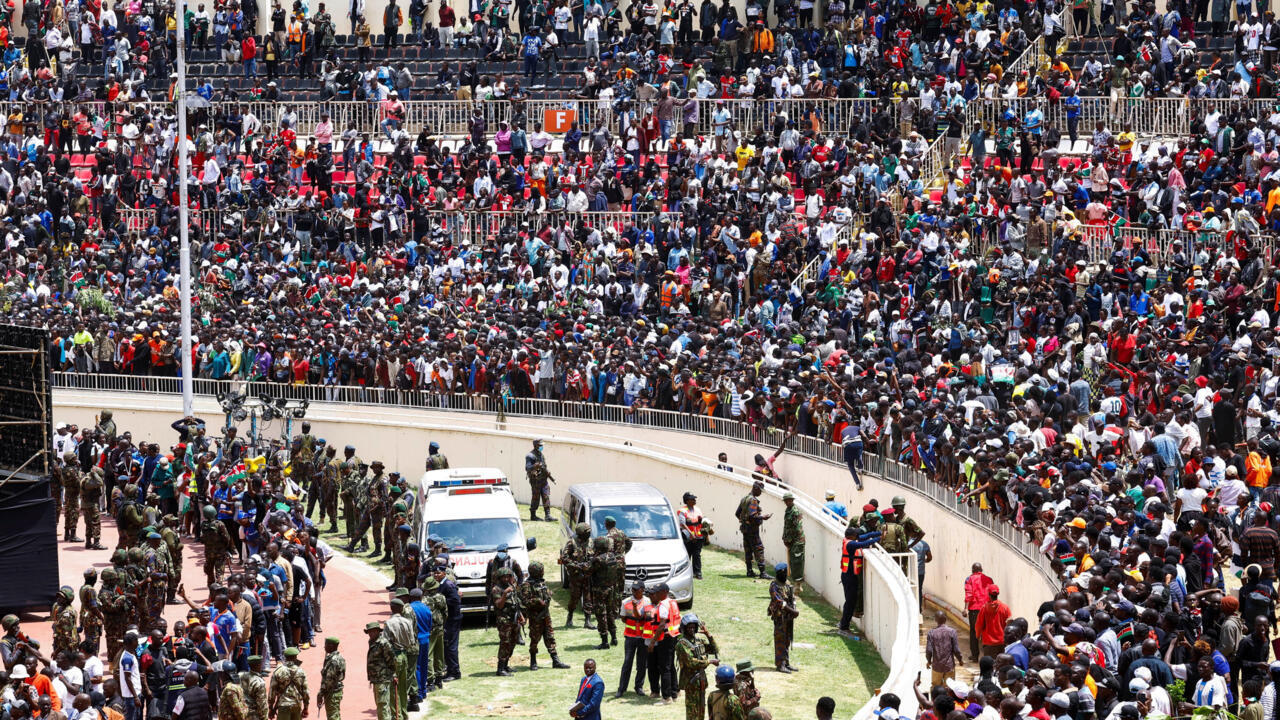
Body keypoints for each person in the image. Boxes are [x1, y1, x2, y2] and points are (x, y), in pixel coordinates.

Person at [516, 562, 570, 670]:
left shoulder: (541, 582)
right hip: (535, 616)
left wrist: (548, 594)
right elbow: (525, 601)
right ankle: (533, 661)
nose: (543, 572)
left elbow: (545, 594)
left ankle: (555, 660)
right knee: (535, 639)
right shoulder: (526, 585)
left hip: (545, 615)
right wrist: (537, 601)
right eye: (541, 570)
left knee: (550, 637)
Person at [675, 613, 719, 720]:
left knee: (701, 709)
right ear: (684, 628)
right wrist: (709, 662)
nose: (691, 629)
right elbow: (691, 662)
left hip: (701, 681)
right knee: (692, 711)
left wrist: (708, 634)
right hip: (691, 681)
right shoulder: (682, 644)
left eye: (693, 627)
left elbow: (714, 649)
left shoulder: (699, 641)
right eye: (689, 627)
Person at [767, 563, 799, 673]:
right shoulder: (774, 586)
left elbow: (792, 596)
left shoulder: (787, 583)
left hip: (788, 617)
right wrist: (793, 611)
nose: (785, 575)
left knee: (787, 640)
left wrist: (794, 607)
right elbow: (780, 602)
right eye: (783, 573)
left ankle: (786, 662)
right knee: (780, 639)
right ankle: (780, 664)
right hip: (780, 616)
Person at [735, 481, 771, 578]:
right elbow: (752, 516)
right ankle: (763, 573)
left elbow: (737, 513)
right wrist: (763, 517)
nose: (761, 493)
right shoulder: (753, 500)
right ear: (755, 488)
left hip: (745, 529)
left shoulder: (744, 499)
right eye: (760, 490)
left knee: (748, 550)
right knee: (758, 549)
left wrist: (743, 520)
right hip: (752, 530)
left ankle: (749, 571)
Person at [365, 622, 398, 720]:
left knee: (382, 706)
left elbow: (392, 660)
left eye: (372, 631)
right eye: (369, 632)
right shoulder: (372, 641)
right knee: (380, 705)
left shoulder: (383, 643)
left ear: (377, 631)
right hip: (376, 679)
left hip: (383, 679)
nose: (370, 634)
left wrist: (393, 674)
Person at [492, 567, 521, 676]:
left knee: (513, 642)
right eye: (503, 577)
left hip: (513, 618)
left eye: (508, 576)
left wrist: (521, 617)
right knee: (505, 643)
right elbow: (499, 604)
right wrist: (504, 594)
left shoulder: (511, 586)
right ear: (499, 578)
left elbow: (516, 603)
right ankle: (500, 668)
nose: (506, 579)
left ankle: (506, 665)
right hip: (503, 619)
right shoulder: (496, 589)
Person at [963, 564, 995, 662]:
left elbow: (969, 594)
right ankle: (987, 656)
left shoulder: (969, 579)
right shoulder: (989, 579)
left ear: (972, 570)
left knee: (974, 632)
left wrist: (965, 608)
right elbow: (993, 593)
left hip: (974, 610)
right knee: (986, 632)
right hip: (987, 609)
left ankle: (975, 656)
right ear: (982, 569)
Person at [268, 646, 309, 720]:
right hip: (297, 705)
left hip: (283, 705)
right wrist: (306, 707)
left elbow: (272, 692)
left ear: (285, 657)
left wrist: (271, 708)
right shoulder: (301, 672)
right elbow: (305, 692)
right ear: (296, 657)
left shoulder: (278, 671)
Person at [925, 610, 963, 687]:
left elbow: (929, 650)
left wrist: (929, 661)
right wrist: (960, 660)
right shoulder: (952, 632)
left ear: (935, 620)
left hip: (936, 666)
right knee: (950, 688)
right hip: (949, 666)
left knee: (935, 688)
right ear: (945, 619)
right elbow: (956, 650)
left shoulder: (931, 633)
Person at [678, 492, 709, 579]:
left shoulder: (698, 509)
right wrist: (691, 534)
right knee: (687, 555)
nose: (695, 500)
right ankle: (685, 573)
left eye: (694, 499)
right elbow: (682, 524)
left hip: (698, 536)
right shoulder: (682, 511)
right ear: (687, 501)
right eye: (692, 499)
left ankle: (697, 573)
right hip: (687, 537)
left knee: (697, 555)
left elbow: (701, 521)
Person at [525, 439, 555, 522]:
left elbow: (543, 466)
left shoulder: (541, 455)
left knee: (546, 496)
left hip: (543, 480)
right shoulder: (530, 456)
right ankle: (533, 516)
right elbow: (528, 468)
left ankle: (548, 515)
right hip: (535, 481)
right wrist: (535, 465)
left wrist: (547, 471)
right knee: (536, 498)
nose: (542, 447)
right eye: (540, 445)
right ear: (536, 446)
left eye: (542, 445)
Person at [781, 493, 806, 588]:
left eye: (789, 500)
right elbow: (786, 526)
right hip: (791, 540)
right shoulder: (788, 510)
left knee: (797, 562)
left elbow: (797, 528)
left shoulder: (795, 511)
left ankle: (798, 586)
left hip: (797, 540)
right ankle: (795, 583)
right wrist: (784, 538)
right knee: (792, 562)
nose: (787, 502)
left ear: (792, 500)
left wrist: (789, 540)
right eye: (786, 501)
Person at [316, 638, 345, 720]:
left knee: (333, 716)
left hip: (332, 692)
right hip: (336, 691)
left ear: (331, 646)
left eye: (326, 645)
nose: (324, 647)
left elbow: (329, 680)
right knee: (335, 715)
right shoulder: (339, 657)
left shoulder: (333, 660)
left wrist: (321, 693)